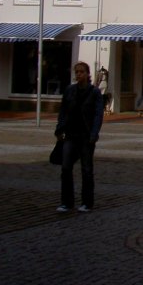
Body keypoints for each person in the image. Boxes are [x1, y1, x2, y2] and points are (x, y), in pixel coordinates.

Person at [55, 61, 104, 212]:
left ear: (88, 74)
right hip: (70, 134)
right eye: (76, 72)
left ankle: (87, 202)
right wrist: (59, 129)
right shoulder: (70, 90)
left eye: (82, 72)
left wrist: (94, 133)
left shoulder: (94, 92)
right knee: (66, 168)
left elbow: (98, 115)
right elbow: (63, 111)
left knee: (87, 169)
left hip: (86, 135)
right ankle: (66, 202)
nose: (79, 74)